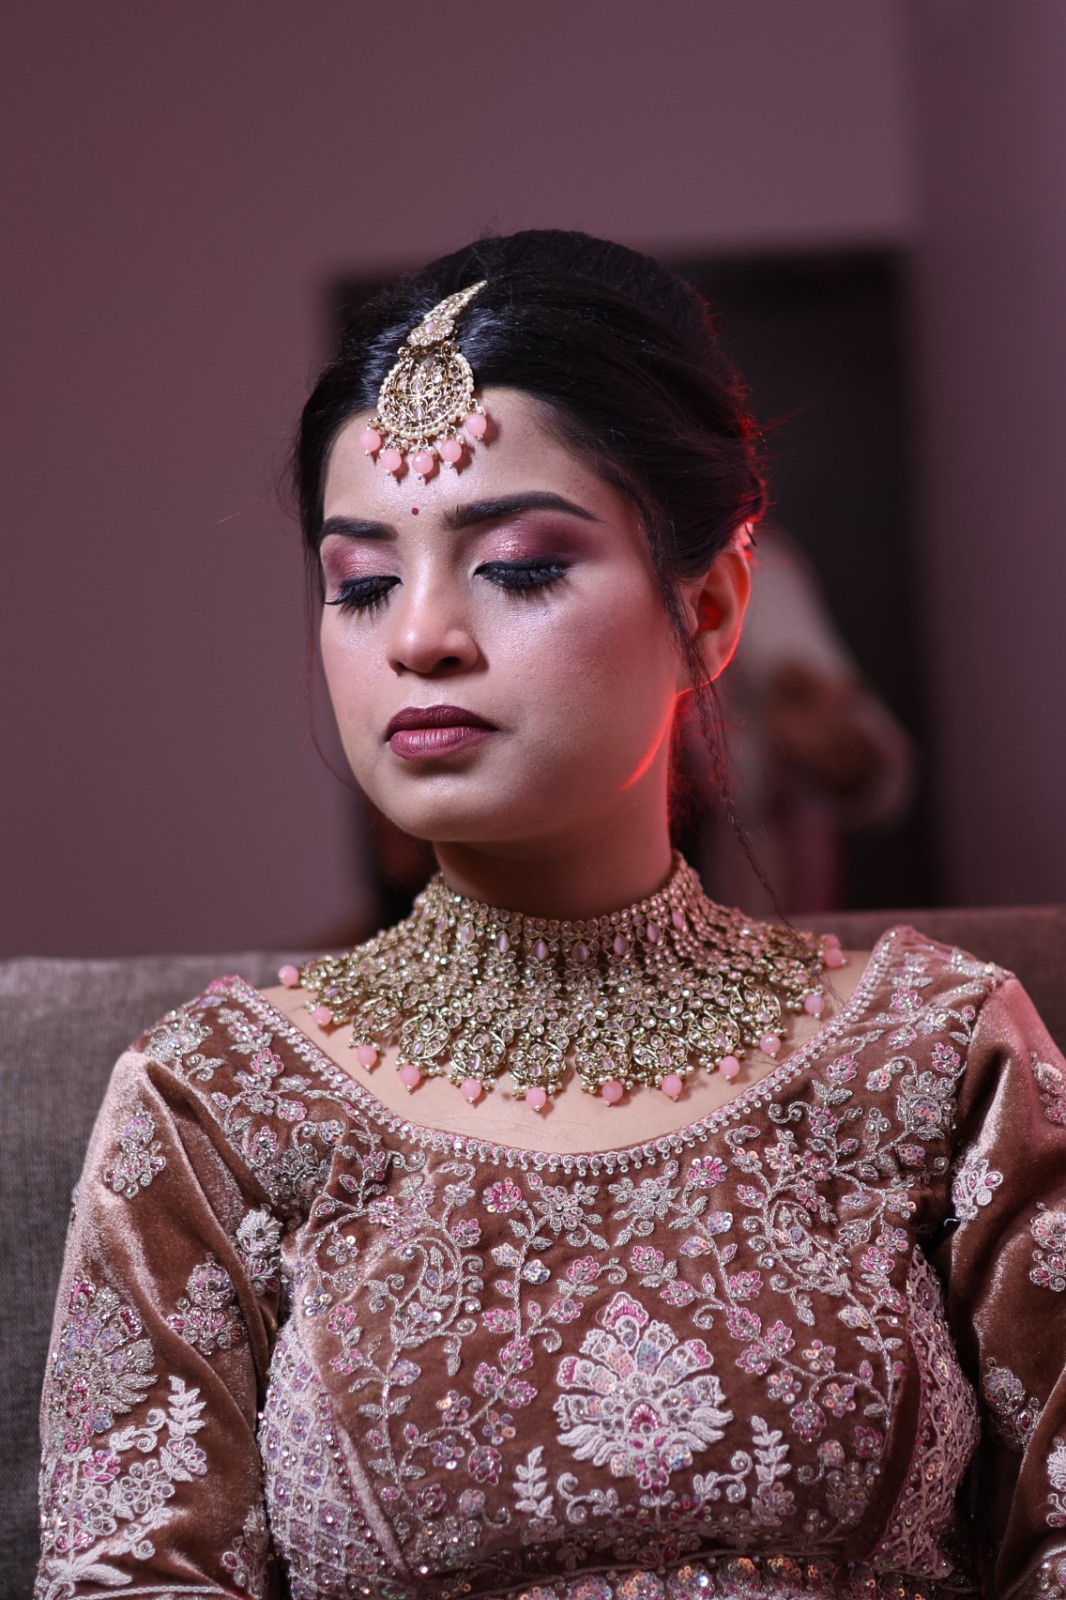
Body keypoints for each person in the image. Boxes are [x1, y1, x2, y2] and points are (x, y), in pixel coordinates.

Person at [34, 231, 1066, 1600]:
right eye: (360, 582)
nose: (418, 638)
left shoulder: (934, 1058)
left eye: (517, 565)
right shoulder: (218, 1103)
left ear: (708, 606)